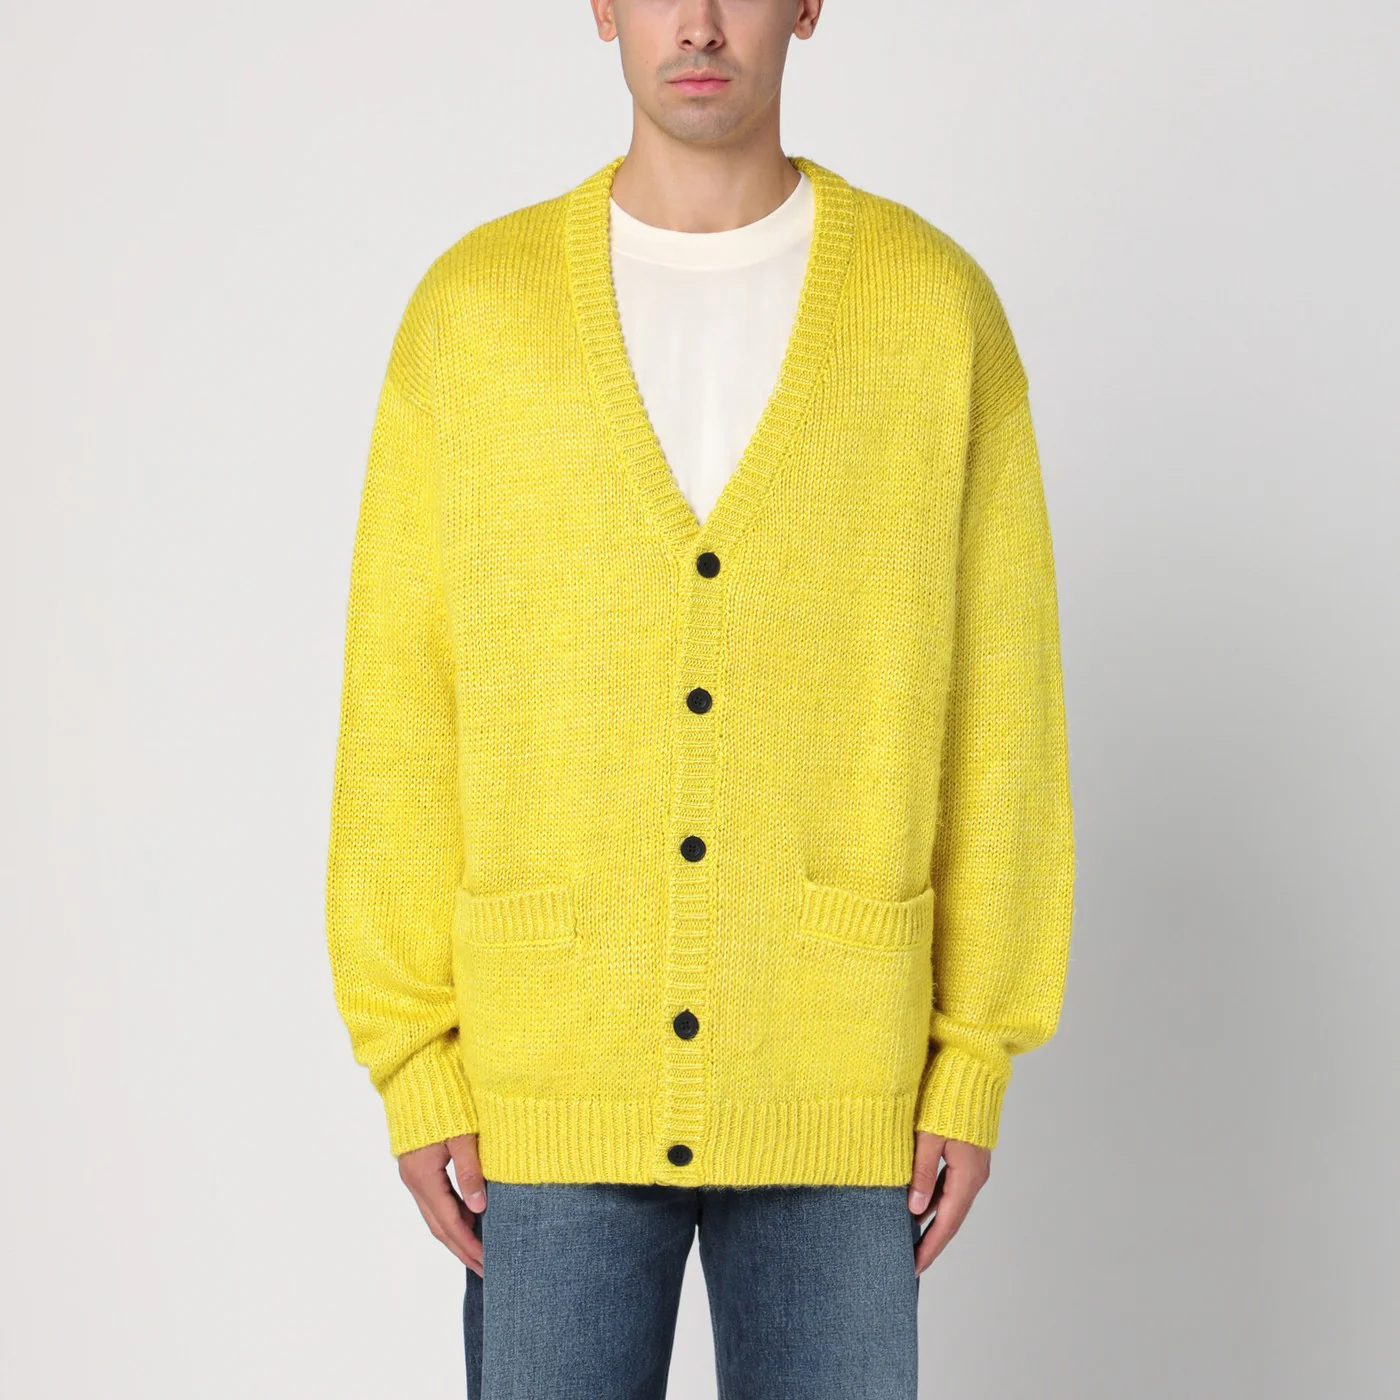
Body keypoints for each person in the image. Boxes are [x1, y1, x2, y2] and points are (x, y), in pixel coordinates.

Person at [324, 1, 1077, 1395]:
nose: (701, 23)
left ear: (809, 6)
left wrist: (973, 1053)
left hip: (840, 1076)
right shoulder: (476, 315)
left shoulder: (932, 311)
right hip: (546, 1073)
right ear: (601, 6)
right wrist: (413, 1058)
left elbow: (1004, 712)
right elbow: (402, 709)